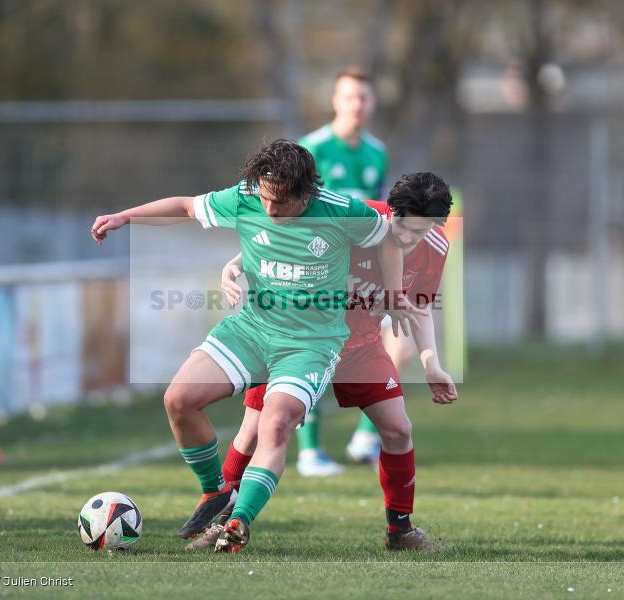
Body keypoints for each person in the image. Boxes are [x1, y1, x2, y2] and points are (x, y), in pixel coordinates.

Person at [90, 140, 418, 553]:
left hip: (310, 344)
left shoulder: (342, 210)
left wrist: (392, 292)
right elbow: (186, 206)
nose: (268, 210)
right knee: (178, 400)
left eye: (279, 202)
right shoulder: (246, 197)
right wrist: (125, 217)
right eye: (263, 198)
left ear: (306, 193)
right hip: (252, 328)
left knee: (275, 424)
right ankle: (216, 492)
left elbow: (388, 236)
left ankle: (238, 522)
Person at [186, 172, 458, 552]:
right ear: (391, 210)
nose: (407, 238)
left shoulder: (435, 247)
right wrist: (235, 262)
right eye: (403, 227)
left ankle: (401, 531)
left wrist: (432, 365)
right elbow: (285, 233)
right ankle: (219, 524)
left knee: (398, 429)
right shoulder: (361, 218)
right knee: (253, 430)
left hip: (360, 344)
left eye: (420, 230)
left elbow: (421, 307)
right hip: (300, 337)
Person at [295, 66, 391, 475]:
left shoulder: (377, 152)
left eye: (364, 97)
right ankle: (309, 451)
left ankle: (366, 438)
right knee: (315, 355)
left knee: (392, 343)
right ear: (336, 100)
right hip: (316, 269)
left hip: (362, 274)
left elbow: (380, 212)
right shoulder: (310, 148)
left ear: (373, 103)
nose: (357, 104)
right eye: (349, 96)